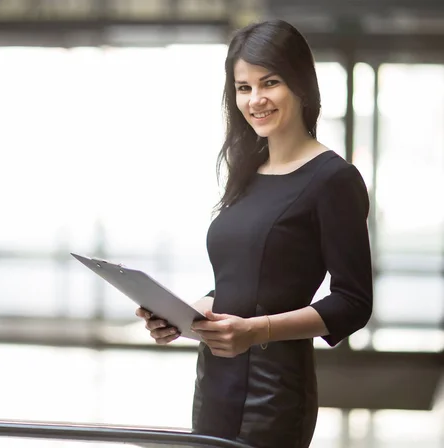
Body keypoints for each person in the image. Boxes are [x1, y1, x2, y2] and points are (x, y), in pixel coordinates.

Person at [135, 19, 372, 447]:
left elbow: (353, 303)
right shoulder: (246, 174)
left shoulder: (334, 179)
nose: (255, 99)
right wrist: (183, 314)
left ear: (300, 83)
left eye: (270, 82)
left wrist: (255, 330)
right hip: (215, 382)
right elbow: (243, 284)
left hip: (274, 390)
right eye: (243, 88)